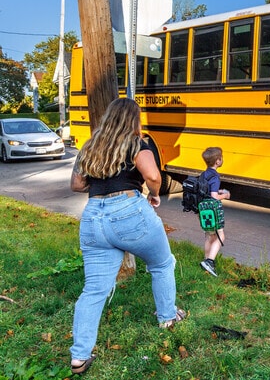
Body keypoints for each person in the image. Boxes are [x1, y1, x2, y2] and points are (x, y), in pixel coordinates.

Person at [69, 98, 185, 375]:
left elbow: (76, 184)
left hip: (93, 217)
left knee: (94, 289)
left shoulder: (90, 146)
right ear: (133, 120)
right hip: (128, 210)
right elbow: (153, 175)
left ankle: (79, 357)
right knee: (161, 264)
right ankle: (167, 318)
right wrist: (154, 195)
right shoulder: (137, 144)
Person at [199, 146, 230, 277]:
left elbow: (207, 191)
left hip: (203, 209)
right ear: (217, 161)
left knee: (209, 235)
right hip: (213, 209)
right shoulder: (215, 176)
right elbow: (213, 196)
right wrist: (225, 195)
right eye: (221, 157)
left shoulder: (204, 174)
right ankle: (210, 261)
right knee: (220, 235)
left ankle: (206, 261)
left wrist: (218, 191)